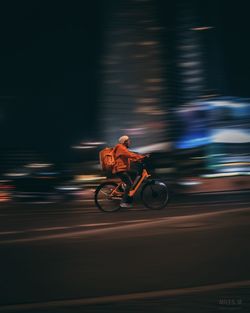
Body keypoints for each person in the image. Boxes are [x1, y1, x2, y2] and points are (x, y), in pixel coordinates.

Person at [112, 135, 145, 208]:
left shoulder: (123, 149)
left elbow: (130, 157)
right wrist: (142, 156)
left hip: (123, 169)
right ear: (124, 142)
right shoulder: (121, 148)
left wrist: (138, 159)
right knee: (130, 184)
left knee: (135, 173)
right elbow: (129, 154)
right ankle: (123, 202)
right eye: (128, 141)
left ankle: (126, 187)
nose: (129, 142)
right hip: (120, 170)